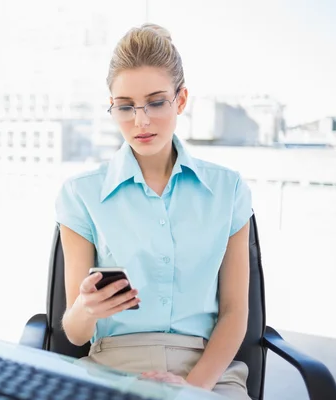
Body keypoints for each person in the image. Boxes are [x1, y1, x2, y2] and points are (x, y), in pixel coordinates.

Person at [55, 23, 252, 399]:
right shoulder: (80, 194)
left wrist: (190, 391)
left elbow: (234, 313)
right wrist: (87, 306)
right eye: (125, 107)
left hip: (207, 372)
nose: (140, 121)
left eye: (156, 102)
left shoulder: (228, 190)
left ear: (180, 100)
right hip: (111, 369)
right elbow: (77, 333)